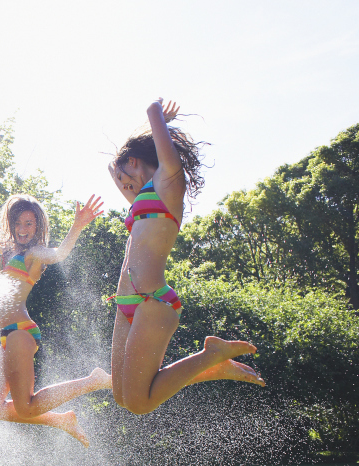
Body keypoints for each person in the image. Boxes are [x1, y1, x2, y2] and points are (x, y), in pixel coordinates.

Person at [107, 99, 264, 415]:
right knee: (122, 397)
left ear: (136, 161)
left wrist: (158, 121)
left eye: (127, 178)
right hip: (127, 303)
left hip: (154, 302)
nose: (123, 186)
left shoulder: (169, 181)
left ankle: (211, 356)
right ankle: (214, 367)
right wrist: (144, 141)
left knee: (139, 404)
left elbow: (152, 108)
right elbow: (112, 168)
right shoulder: (141, 196)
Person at [0, 170, 110, 446]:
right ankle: (61, 420)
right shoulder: (5, 250)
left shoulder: (35, 253)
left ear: (37, 226)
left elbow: (59, 253)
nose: (24, 228)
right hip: (7, 337)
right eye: (19, 223)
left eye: (29, 223)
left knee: (25, 405)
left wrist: (76, 226)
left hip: (20, 332)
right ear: (12, 224)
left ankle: (92, 380)